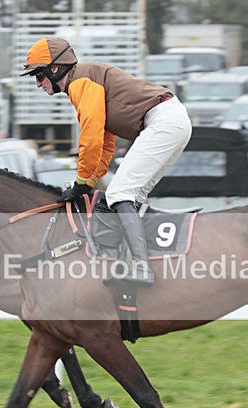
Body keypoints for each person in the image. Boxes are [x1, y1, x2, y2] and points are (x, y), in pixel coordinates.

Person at [21, 37, 192, 285]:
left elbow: (90, 137)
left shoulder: (81, 82)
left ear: (54, 69)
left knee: (121, 194)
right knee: (123, 196)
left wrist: (81, 179)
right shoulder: (85, 80)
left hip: (163, 121)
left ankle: (142, 268)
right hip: (169, 120)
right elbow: (106, 141)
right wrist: (90, 181)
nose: (38, 84)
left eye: (38, 76)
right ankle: (135, 263)